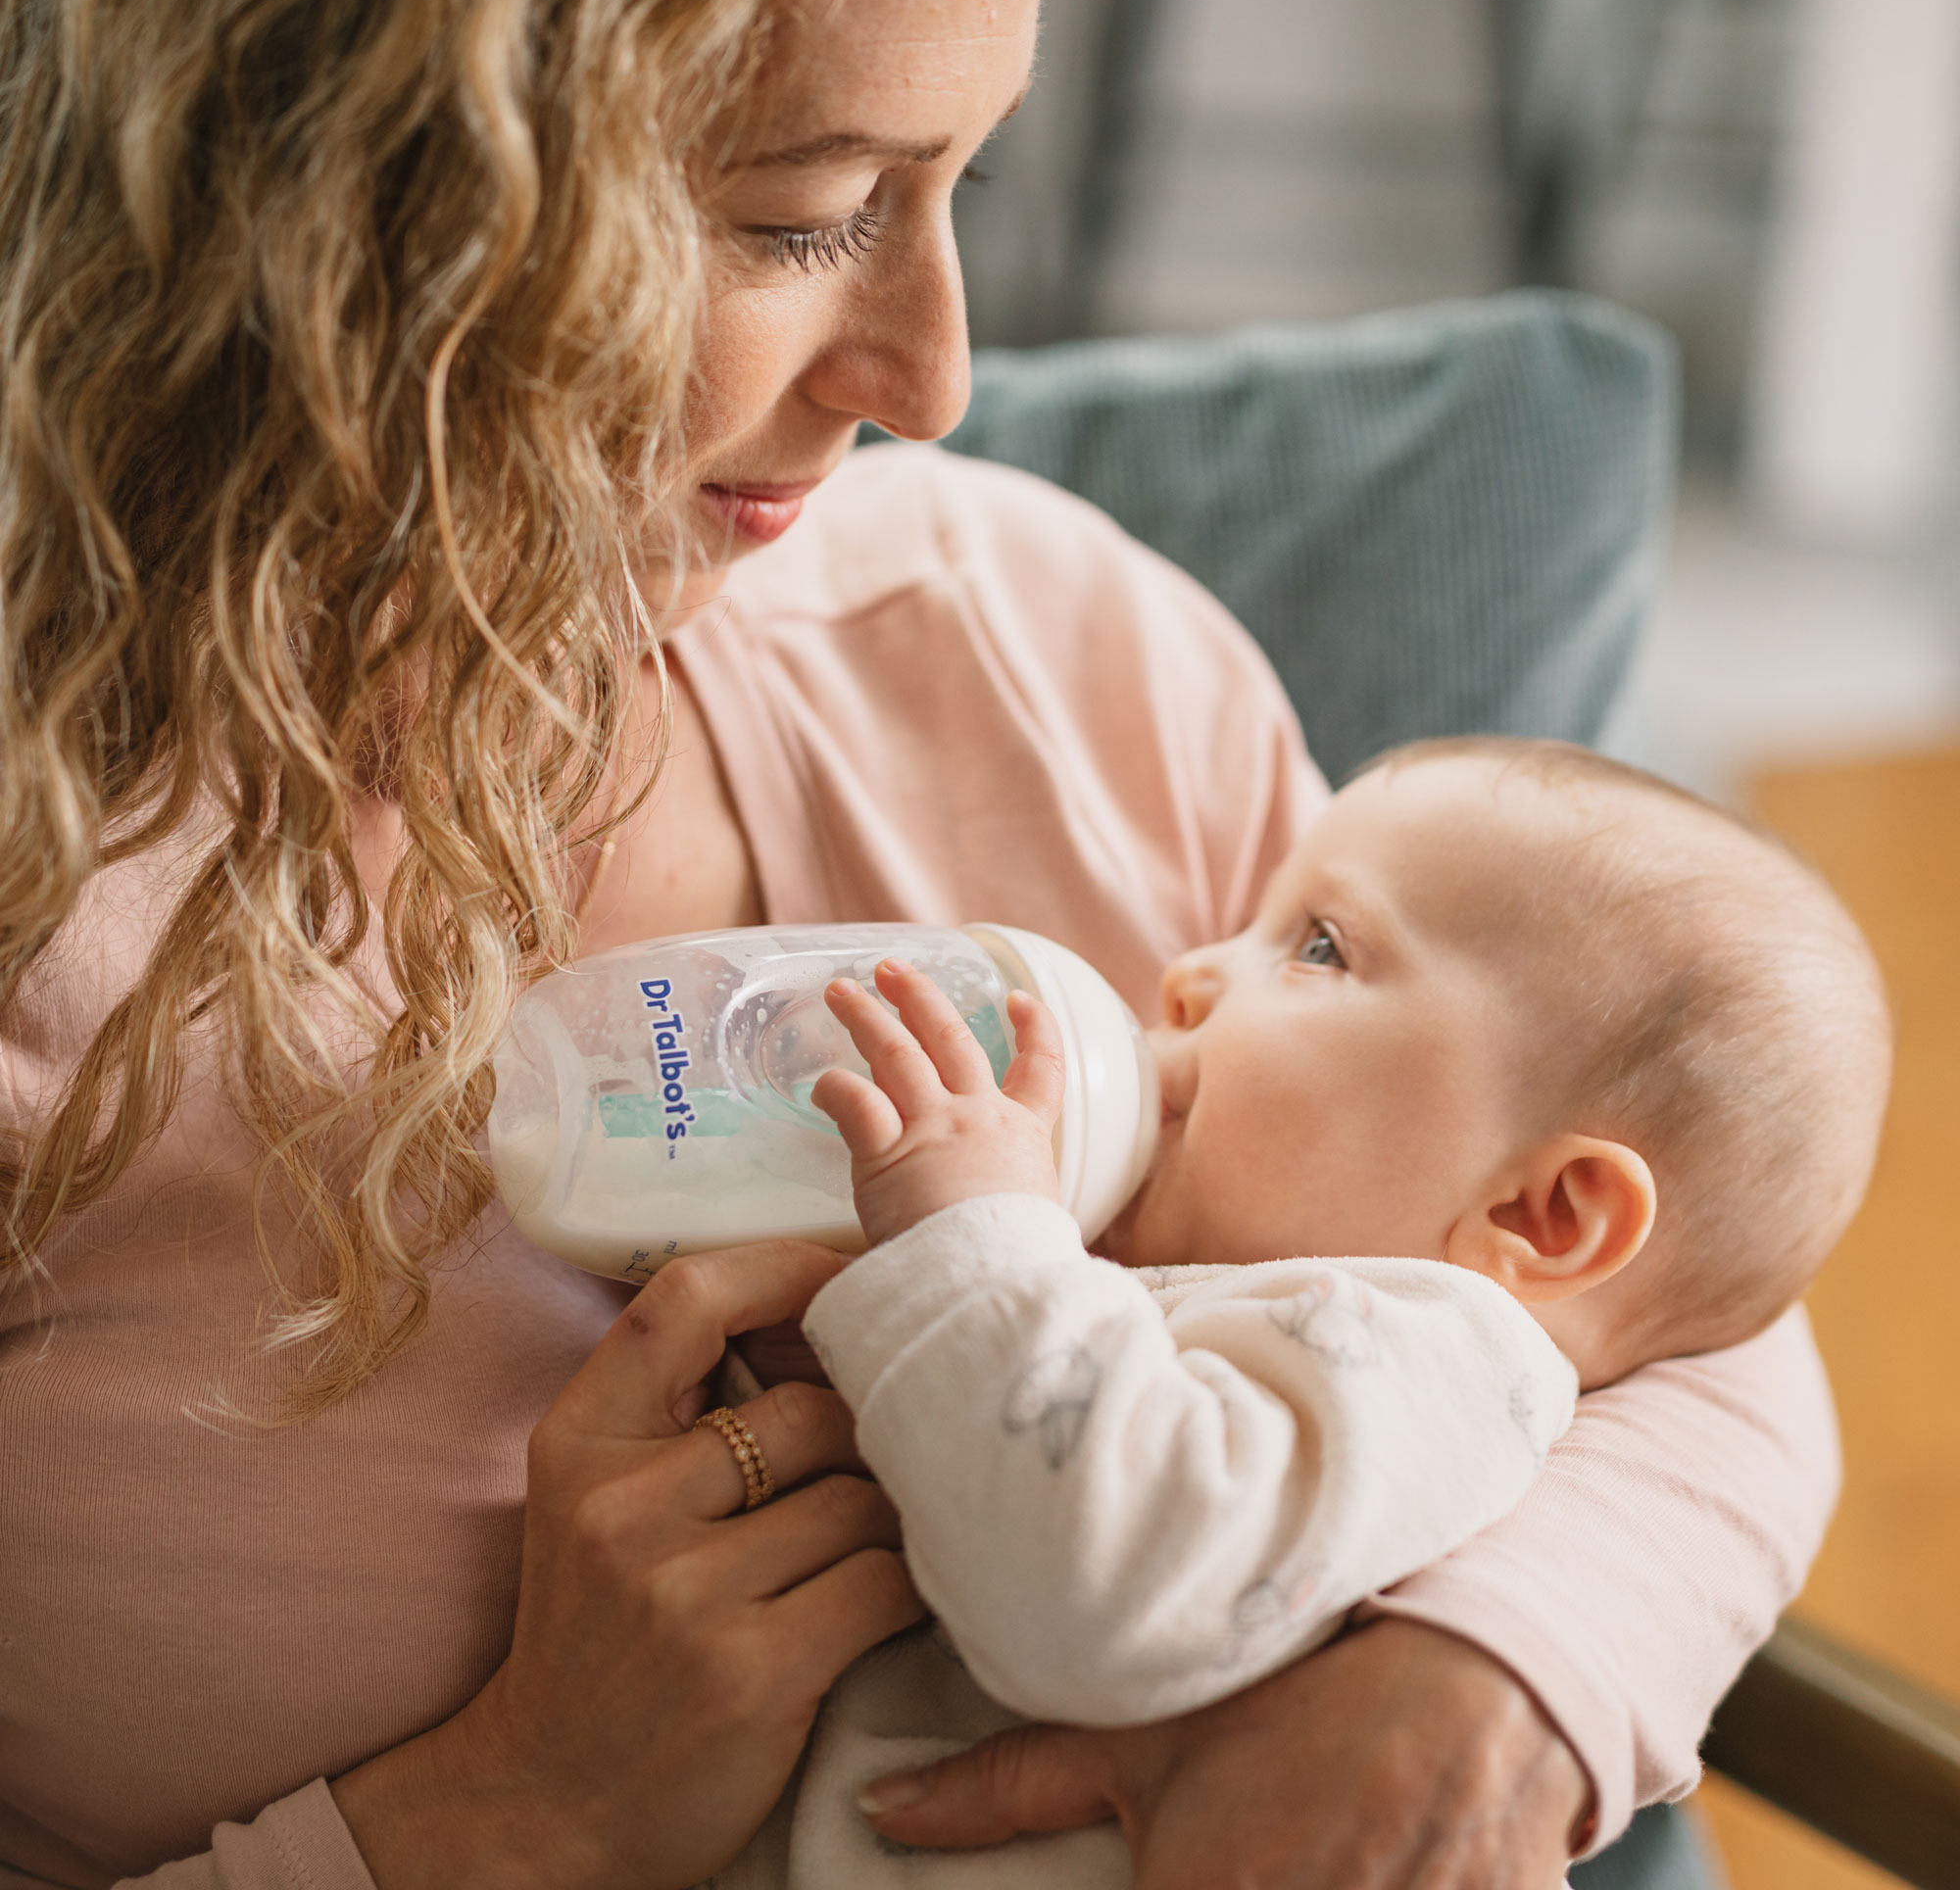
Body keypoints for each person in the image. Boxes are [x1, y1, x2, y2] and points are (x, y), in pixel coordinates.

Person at [0, 0, 1841, 1887]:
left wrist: (1500, 1677)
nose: (938, 377)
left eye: (967, 182)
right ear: (332, 195)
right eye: (803, 216)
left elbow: (1667, 1261)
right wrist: (501, 1812)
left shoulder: (1049, 651)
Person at [654, 737, 1889, 1887]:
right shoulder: (1219, 1291)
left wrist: (964, 1233)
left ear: (1544, 1215)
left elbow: (1093, 1587)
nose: (1190, 973)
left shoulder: (1427, 1356)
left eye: (1317, 947)